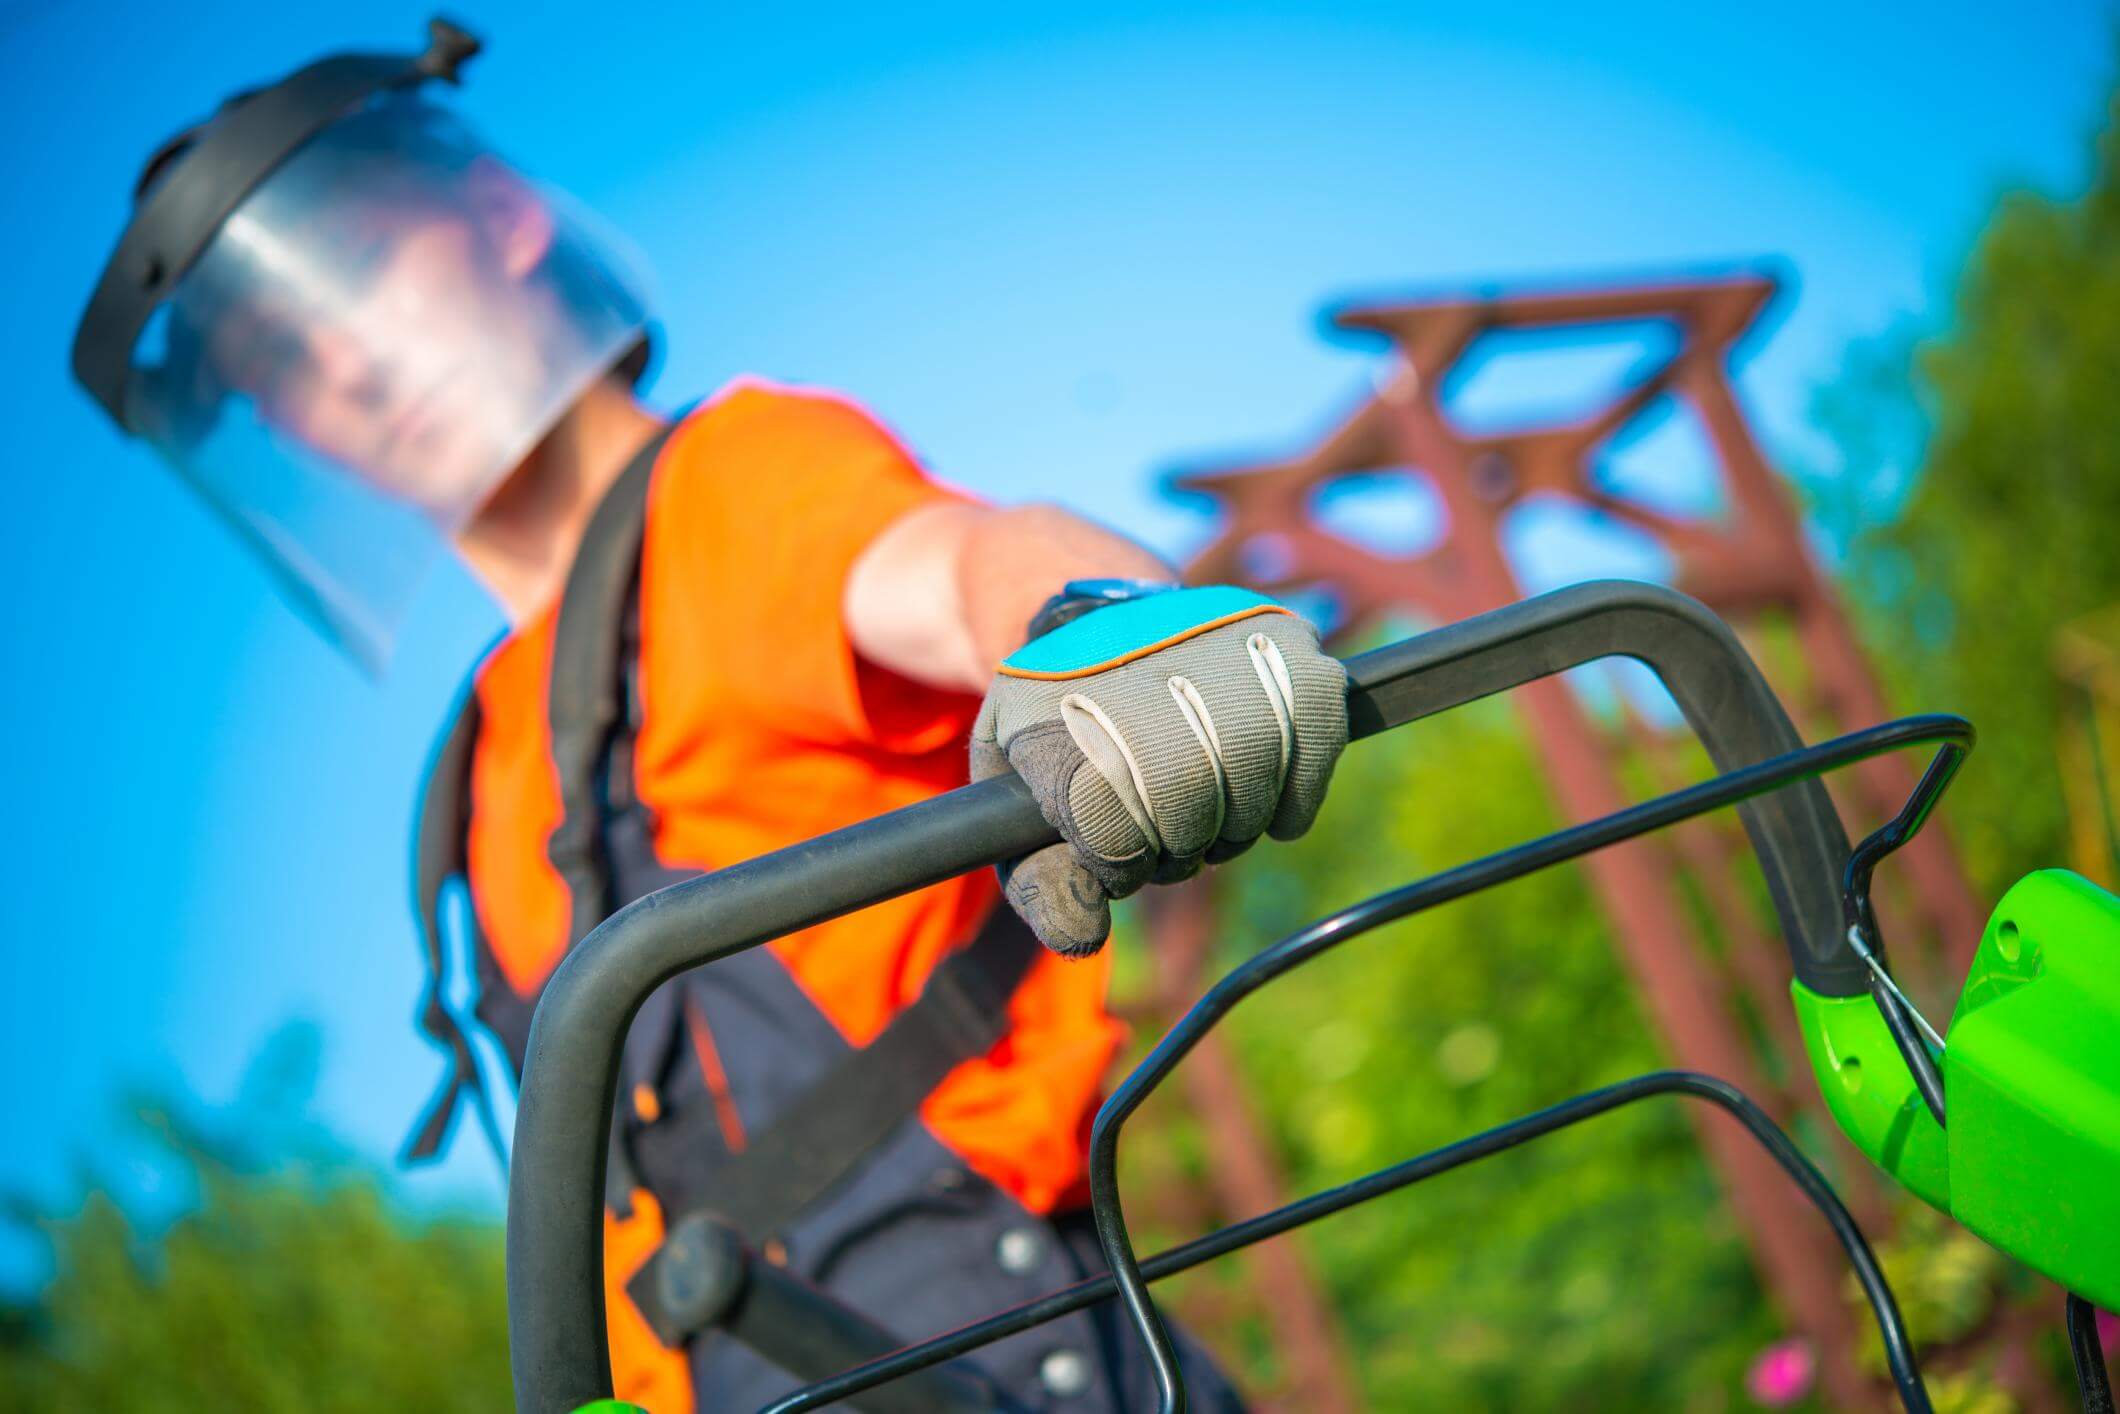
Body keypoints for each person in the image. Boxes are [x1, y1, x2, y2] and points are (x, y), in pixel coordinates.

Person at [72, 20, 1348, 1412]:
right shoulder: (476, 768)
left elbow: (957, 564)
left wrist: (1099, 628)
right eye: (287, 365)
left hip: (996, 1356)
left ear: (499, 217)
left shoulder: (724, 491)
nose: (352, 366)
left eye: (364, 269)